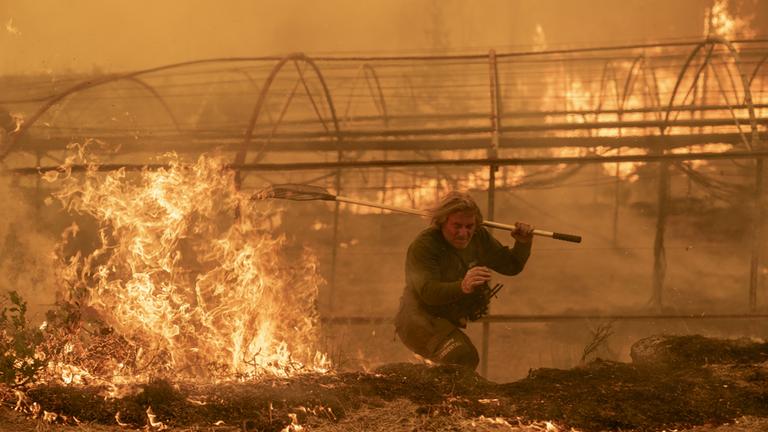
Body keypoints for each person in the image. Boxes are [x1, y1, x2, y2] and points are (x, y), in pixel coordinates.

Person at [395, 191, 533, 370]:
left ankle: (443, 396)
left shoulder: (479, 237)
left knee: (463, 359)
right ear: (442, 222)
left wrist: (523, 244)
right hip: (417, 320)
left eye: (469, 226)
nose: (463, 233)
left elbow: (511, 266)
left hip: (443, 321)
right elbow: (428, 293)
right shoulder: (425, 245)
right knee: (462, 357)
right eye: (457, 226)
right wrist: (463, 286)